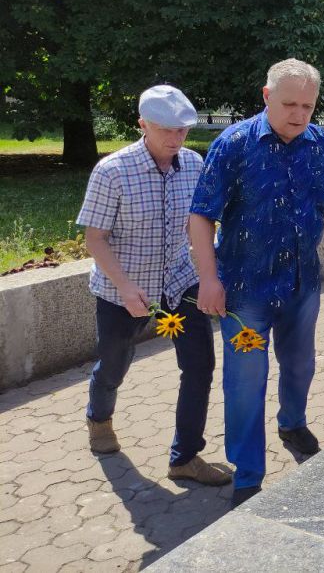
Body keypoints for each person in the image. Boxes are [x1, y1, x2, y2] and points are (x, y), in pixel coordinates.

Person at [189, 59, 324, 507]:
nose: (299, 114)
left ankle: (292, 422)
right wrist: (208, 279)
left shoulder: (319, 145)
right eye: (289, 103)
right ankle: (249, 473)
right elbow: (201, 216)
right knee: (246, 379)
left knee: (299, 364)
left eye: (308, 106)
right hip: (245, 293)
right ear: (266, 96)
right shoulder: (232, 145)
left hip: (300, 285)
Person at [77, 85, 230, 487]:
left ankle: (185, 457)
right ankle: (99, 418)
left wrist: (212, 272)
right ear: (143, 124)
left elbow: (197, 227)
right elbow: (95, 239)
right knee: (114, 364)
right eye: (166, 130)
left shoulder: (195, 165)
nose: (176, 139)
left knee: (199, 366)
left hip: (181, 284)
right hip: (123, 292)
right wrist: (126, 288)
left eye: (183, 130)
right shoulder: (112, 171)